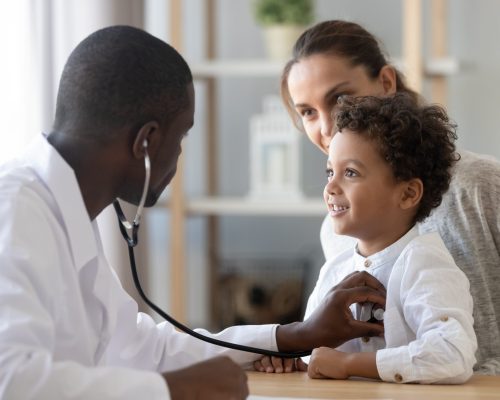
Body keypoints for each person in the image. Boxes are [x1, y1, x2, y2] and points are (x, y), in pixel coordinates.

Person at [0, 25, 387, 399]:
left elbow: (146, 349)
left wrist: (295, 335)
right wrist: (176, 390)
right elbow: (11, 380)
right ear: (146, 141)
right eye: (182, 134)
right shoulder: (13, 209)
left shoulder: (64, 215)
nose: (181, 155)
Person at [254, 19, 500, 375]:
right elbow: (330, 347)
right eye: (307, 112)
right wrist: (293, 354)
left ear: (386, 83)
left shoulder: (480, 186)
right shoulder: (339, 233)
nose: (326, 127)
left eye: (340, 98)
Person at [306, 93, 476, 383]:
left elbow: (453, 354)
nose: (331, 187)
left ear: (408, 194)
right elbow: (313, 353)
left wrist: (350, 363)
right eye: (329, 172)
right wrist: (287, 358)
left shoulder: (425, 264)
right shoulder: (335, 270)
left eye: (350, 172)